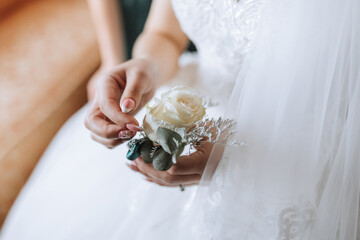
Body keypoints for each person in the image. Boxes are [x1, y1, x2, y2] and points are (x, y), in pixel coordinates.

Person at [1, 0, 359, 239]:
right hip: (196, 86)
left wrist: (238, 153)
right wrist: (146, 69)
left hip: (303, 146)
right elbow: (165, 34)